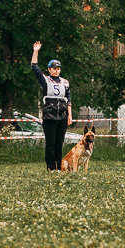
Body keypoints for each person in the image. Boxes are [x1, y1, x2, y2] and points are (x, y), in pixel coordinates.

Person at [31, 41, 71, 171]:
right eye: (54, 68)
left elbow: (68, 99)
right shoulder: (45, 80)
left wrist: (70, 115)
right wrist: (36, 51)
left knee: (59, 143)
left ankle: (59, 167)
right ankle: (51, 167)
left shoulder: (65, 82)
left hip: (63, 116)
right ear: (49, 69)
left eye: (58, 68)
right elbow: (34, 68)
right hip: (50, 116)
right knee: (51, 144)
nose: (56, 70)